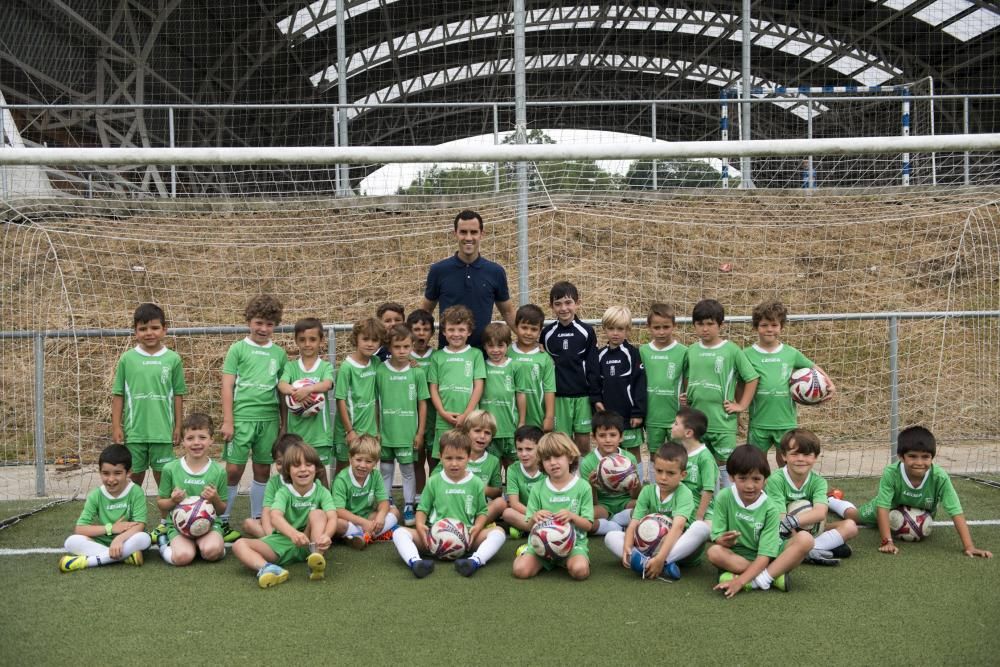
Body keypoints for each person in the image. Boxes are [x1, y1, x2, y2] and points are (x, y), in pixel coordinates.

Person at [829, 426, 992, 558]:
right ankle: (831, 499)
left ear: (932, 457)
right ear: (901, 456)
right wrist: (887, 541)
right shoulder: (891, 473)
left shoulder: (939, 477)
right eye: (913, 456)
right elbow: (883, 507)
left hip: (920, 514)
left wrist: (969, 547)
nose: (919, 462)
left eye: (925, 457)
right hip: (889, 507)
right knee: (853, 517)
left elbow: (955, 511)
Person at [392, 430, 507, 578]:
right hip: (433, 539)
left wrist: (477, 527)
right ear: (440, 457)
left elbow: (482, 512)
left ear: (468, 457)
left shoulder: (476, 483)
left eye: (460, 458)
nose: (454, 463)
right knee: (399, 533)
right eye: (448, 458)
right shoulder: (434, 481)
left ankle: (474, 561)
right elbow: (422, 509)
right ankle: (416, 562)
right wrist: (420, 525)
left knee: (498, 533)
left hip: (467, 539)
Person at [220, 294, 288, 542]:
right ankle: (223, 521)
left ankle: (258, 519)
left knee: (262, 469)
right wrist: (228, 420)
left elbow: (282, 392)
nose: (263, 328)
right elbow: (227, 386)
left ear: (275, 325)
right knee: (233, 470)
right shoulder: (237, 349)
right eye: (259, 322)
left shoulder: (279, 354)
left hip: (268, 419)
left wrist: (284, 424)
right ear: (249, 320)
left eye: (269, 324)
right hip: (242, 418)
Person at [709, 445, 813, 597]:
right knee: (714, 552)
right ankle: (774, 574)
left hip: (769, 555)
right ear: (732, 477)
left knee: (806, 539)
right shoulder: (724, 497)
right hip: (739, 556)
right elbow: (717, 536)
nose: (750, 486)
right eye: (743, 478)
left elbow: (765, 555)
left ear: (765, 480)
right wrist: (723, 540)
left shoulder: (770, 508)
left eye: (756, 479)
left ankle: (759, 580)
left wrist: (740, 582)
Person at [232, 443, 338, 588]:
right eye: (296, 465)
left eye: (308, 464)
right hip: (283, 540)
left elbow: (332, 517)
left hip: (309, 542)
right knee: (239, 544)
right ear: (287, 470)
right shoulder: (283, 492)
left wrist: (326, 535)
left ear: (316, 468)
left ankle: (316, 558)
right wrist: (293, 534)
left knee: (318, 514)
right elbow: (275, 516)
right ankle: (270, 569)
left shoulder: (321, 491)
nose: (303, 469)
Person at [744, 301, 835, 467]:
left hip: (785, 420)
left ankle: (785, 490)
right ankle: (763, 492)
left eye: (774, 325)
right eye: (764, 325)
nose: (769, 329)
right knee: (757, 462)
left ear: (781, 327)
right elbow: (740, 383)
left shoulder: (791, 353)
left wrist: (830, 384)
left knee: (785, 460)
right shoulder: (746, 354)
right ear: (756, 327)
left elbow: (813, 367)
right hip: (759, 421)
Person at [111, 303, 186, 503]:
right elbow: (118, 394)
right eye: (143, 329)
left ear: (164, 329)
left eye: (154, 328)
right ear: (135, 331)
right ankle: (132, 515)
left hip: (163, 432)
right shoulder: (127, 359)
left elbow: (178, 394)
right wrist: (117, 425)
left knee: (164, 477)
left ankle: (166, 520)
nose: (149, 333)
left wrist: (178, 425)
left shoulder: (173, 359)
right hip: (135, 432)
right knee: (134, 476)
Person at [681, 298, 758, 488]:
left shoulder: (732, 350)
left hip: (722, 421)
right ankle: (704, 502)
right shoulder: (691, 351)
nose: (705, 328)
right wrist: (685, 396)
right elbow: (688, 378)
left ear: (720, 325)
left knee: (724, 464)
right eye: (700, 324)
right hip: (696, 421)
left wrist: (741, 405)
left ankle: (725, 501)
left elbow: (751, 378)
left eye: (710, 324)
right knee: (699, 463)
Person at [605, 442, 709, 581]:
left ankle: (659, 563)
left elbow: (678, 528)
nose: (663, 477)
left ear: (683, 475)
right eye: (659, 471)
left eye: (670, 473)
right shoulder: (647, 491)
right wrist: (627, 547)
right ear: (654, 469)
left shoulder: (684, 493)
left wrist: (661, 557)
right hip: (649, 548)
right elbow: (633, 524)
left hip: (680, 551)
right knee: (611, 536)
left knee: (701, 527)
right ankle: (657, 565)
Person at [421, 209, 516, 349]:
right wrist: (415, 342)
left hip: (483, 354)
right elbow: (425, 311)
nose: (469, 237)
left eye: (474, 232)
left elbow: (507, 312)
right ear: (455, 234)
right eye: (463, 232)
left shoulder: (495, 272)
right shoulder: (438, 270)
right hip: (448, 354)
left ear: (481, 234)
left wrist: (527, 341)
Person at [765, 428, 857, 566]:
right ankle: (817, 548)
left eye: (807, 454)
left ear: (815, 457)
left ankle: (808, 550)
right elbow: (780, 518)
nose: (801, 459)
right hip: (782, 531)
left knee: (850, 527)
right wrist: (795, 533)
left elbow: (820, 513)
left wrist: (794, 521)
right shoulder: (775, 480)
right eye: (795, 454)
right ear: (784, 456)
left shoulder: (818, 482)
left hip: (810, 528)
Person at [512, 432, 594, 581]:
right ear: (541, 462)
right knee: (520, 570)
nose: (553, 462)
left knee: (580, 571)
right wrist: (534, 518)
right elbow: (528, 524)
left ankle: (568, 560)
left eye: (558, 456)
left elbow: (588, 525)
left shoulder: (583, 487)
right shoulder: (537, 488)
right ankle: (529, 554)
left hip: (573, 545)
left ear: (569, 457)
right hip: (541, 546)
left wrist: (572, 516)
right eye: (547, 459)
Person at [59, 444, 150, 573]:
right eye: (105, 473)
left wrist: (119, 538)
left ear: (128, 472)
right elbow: (80, 528)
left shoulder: (136, 492)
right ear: (100, 472)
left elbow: (140, 525)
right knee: (70, 542)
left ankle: (87, 562)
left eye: (117, 473)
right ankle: (124, 557)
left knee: (143, 538)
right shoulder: (95, 495)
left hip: (126, 541)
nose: (111, 479)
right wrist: (111, 528)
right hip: (100, 542)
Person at [155, 413, 228, 566]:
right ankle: (164, 545)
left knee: (212, 551)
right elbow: (161, 504)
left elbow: (221, 510)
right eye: (190, 438)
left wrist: (214, 499)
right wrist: (173, 500)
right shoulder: (170, 469)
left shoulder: (218, 471)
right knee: (183, 557)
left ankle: (212, 545)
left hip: (209, 525)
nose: (196, 443)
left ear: (211, 440)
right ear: (183, 441)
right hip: (178, 526)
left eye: (202, 437)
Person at [375, 324, 429, 527]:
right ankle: (386, 502)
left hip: (408, 433)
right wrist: (377, 430)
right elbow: (375, 402)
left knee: (408, 470)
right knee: (386, 469)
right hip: (386, 432)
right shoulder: (380, 370)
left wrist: (420, 432)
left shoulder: (417, 373)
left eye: (406, 346)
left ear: (412, 346)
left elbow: (422, 403)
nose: (402, 351)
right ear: (389, 347)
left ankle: (408, 506)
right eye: (397, 347)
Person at [542, 281, 600, 455]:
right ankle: (565, 480)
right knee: (562, 445)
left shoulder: (586, 331)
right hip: (559, 397)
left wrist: (595, 395)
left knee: (583, 443)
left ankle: (582, 480)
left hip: (582, 396)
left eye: (568, 303)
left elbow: (593, 366)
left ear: (577, 303)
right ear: (551, 306)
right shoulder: (547, 334)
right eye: (558, 304)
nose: (564, 308)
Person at [277, 317, 334, 487]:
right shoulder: (291, 367)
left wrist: (308, 390)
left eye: (312, 339)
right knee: (296, 476)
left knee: (320, 473)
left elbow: (327, 384)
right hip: (296, 435)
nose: (307, 344)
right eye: (302, 340)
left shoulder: (325, 367)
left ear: (321, 341)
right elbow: (282, 385)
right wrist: (295, 393)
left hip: (320, 435)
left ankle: (326, 509)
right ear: (296, 341)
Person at [427, 305, 485, 462]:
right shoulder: (437, 356)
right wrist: (443, 413)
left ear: (469, 331)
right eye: (451, 330)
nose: (456, 334)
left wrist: (466, 414)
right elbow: (433, 388)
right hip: (444, 418)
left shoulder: (475, 354)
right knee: (444, 458)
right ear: (444, 331)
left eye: (461, 330)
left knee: (470, 458)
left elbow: (478, 386)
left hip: (470, 419)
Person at [332, 318, 384, 476]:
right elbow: (340, 399)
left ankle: (363, 499)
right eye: (365, 339)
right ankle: (339, 499)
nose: (370, 344)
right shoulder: (346, 367)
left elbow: (375, 399)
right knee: (344, 468)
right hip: (349, 429)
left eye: (375, 340)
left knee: (366, 465)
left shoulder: (375, 362)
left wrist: (377, 428)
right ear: (356, 339)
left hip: (369, 429)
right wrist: (349, 431)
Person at [579, 410, 640, 535]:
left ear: (621, 436)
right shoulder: (587, 462)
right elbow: (592, 503)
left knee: (647, 507)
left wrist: (634, 481)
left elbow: (636, 496)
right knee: (583, 517)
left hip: (626, 503)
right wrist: (592, 485)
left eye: (613, 435)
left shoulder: (629, 458)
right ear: (594, 437)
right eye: (602, 435)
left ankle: (616, 521)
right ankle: (617, 527)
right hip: (602, 506)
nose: (608, 440)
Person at [332, 435, 399, 548]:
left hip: (368, 517)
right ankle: (374, 534)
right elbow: (339, 510)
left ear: (375, 462)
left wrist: (380, 517)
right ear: (350, 458)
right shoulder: (341, 479)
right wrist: (363, 523)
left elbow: (384, 501)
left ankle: (361, 536)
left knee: (395, 511)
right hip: (349, 520)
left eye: (368, 461)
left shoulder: (376, 475)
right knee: (336, 523)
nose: (363, 465)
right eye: (358, 460)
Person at [594, 306, 646, 452]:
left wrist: (638, 412)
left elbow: (639, 385)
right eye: (611, 328)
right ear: (604, 328)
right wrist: (596, 401)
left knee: (633, 453)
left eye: (620, 329)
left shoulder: (633, 354)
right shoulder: (599, 355)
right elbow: (595, 383)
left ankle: (636, 476)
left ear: (628, 330)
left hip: (628, 417)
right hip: (607, 417)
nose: (615, 333)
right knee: (608, 452)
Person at [639, 303, 686, 452]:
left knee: (678, 455)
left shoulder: (683, 352)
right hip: (653, 417)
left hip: (676, 418)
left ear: (674, 325)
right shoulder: (643, 351)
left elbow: (687, 382)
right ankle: (653, 477)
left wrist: (687, 400)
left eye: (666, 327)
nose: (661, 332)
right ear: (648, 327)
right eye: (656, 328)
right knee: (655, 454)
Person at [241, 434, 300, 539]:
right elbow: (267, 511)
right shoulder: (273, 483)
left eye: (288, 462)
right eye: (279, 463)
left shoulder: (307, 479)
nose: (283, 467)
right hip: (278, 524)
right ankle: (276, 541)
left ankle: (297, 540)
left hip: (302, 525)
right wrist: (270, 536)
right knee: (249, 523)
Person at [480, 322, 523, 466]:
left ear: (508, 345)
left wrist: (521, 421)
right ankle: (497, 489)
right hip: (487, 431)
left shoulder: (515, 366)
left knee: (513, 467)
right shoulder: (481, 365)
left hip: (510, 429)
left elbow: (520, 395)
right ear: (485, 346)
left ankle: (512, 490)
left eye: (500, 345)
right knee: (492, 469)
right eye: (491, 346)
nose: (495, 350)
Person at [507, 304, 555, 432]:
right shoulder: (507, 353)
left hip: (537, 417)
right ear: (516, 327)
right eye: (524, 327)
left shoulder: (544, 357)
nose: (528, 333)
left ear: (540, 331)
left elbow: (549, 388)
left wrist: (549, 417)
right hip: (510, 417)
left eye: (533, 329)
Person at [406, 308, 437, 501]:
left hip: (434, 416)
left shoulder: (438, 356)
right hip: (411, 417)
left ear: (432, 333)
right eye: (416, 329)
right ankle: (418, 497)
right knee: (416, 459)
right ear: (409, 332)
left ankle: (433, 496)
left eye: (425, 330)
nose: (421, 333)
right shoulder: (403, 357)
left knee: (434, 459)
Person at [671, 407, 717, 535]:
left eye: (675, 424)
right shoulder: (679, 452)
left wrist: (698, 518)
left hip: (700, 509)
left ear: (688, 433)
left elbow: (708, 490)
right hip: (679, 505)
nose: (672, 426)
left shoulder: (705, 457)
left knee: (704, 532)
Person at [500, 425, 546, 538]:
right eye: (519, 449)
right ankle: (542, 530)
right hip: (525, 514)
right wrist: (534, 514)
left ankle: (528, 529)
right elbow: (514, 503)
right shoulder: (513, 469)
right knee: (507, 513)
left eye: (529, 449)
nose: (523, 454)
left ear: (540, 449)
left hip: (546, 513)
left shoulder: (547, 467)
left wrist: (542, 514)